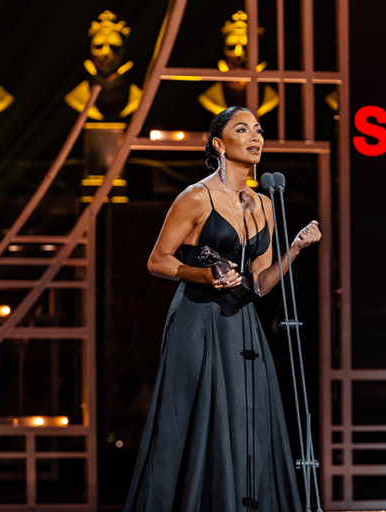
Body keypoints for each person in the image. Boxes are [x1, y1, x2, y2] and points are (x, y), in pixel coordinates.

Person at [124, 106, 321, 511]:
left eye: (259, 130)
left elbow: (261, 284)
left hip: (242, 325)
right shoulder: (196, 197)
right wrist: (203, 276)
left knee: (246, 420)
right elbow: (157, 260)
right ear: (218, 143)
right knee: (197, 421)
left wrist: (296, 248)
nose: (256, 137)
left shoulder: (264, 203)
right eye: (243, 129)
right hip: (197, 321)